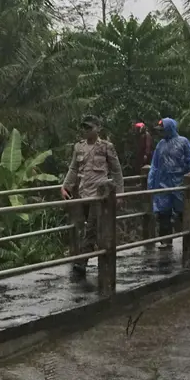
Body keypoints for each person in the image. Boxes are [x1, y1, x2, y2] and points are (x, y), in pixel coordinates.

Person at [61, 115, 124, 273]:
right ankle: (104, 254)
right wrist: (66, 186)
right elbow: (73, 168)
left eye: (90, 127)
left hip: (100, 195)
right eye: (84, 127)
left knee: (92, 229)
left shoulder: (106, 147)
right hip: (83, 193)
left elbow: (116, 171)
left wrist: (120, 193)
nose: (86, 131)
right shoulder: (79, 147)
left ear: (98, 128)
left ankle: (82, 262)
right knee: (90, 228)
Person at [148, 117, 190, 248]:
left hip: (180, 183)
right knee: (163, 213)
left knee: (183, 211)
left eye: (163, 130)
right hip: (163, 183)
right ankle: (165, 241)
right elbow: (154, 165)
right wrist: (151, 181)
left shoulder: (183, 142)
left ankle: (189, 239)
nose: (161, 132)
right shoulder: (160, 144)